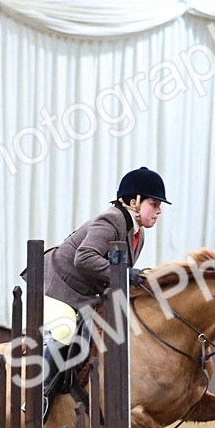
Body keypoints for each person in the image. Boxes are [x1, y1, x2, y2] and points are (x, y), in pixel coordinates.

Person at [38, 166, 169, 412]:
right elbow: (84, 258)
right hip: (57, 288)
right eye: (154, 203)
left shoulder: (137, 233)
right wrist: (124, 274)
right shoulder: (112, 219)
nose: (159, 211)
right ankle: (39, 395)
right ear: (135, 202)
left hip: (85, 295)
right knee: (65, 332)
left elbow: (111, 276)